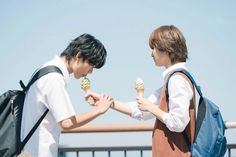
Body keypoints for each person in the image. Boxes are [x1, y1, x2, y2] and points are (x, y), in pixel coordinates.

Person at [87, 25, 196, 157]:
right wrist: (107, 102)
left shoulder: (177, 80)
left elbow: (178, 123)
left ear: (167, 49)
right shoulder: (173, 80)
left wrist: (151, 108)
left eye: (154, 48)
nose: (151, 53)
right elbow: (140, 111)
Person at [20, 34, 114, 157]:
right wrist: (99, 109)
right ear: (78, 56)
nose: (90, 72)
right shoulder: (54, 78)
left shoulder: (44, 70)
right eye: (91, 67)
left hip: (29, 151)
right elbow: (67, 122)